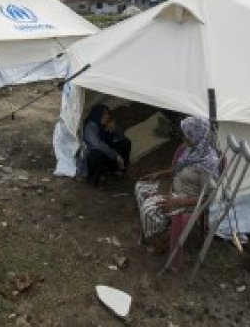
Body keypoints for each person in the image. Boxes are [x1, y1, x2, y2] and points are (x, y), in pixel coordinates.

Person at [135, 114, 220, 271]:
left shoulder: (209, 164)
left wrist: (177, 202)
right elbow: (178, 169)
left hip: (185, 201)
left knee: (148, 209)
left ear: (197, 135)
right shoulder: (193, 149)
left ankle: (160, 240)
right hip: (173, 189)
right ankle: (158, 229)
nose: (184, 137)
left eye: (187, 134)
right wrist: (161, 173)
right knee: (140, 186)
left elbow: (209, 197)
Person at [80, 104, 132, 186]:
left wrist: (115, 129)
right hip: (95, 154)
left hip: (107, 153)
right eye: (104, 114)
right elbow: (98, 144)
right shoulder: (90, 127)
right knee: (94, 155)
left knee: (125, 143)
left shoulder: (106, 125)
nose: (107, 116)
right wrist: (115, 155)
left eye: (108, 114)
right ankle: (94, 177)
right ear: (97, 114)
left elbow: (121, 137)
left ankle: (117, 171)